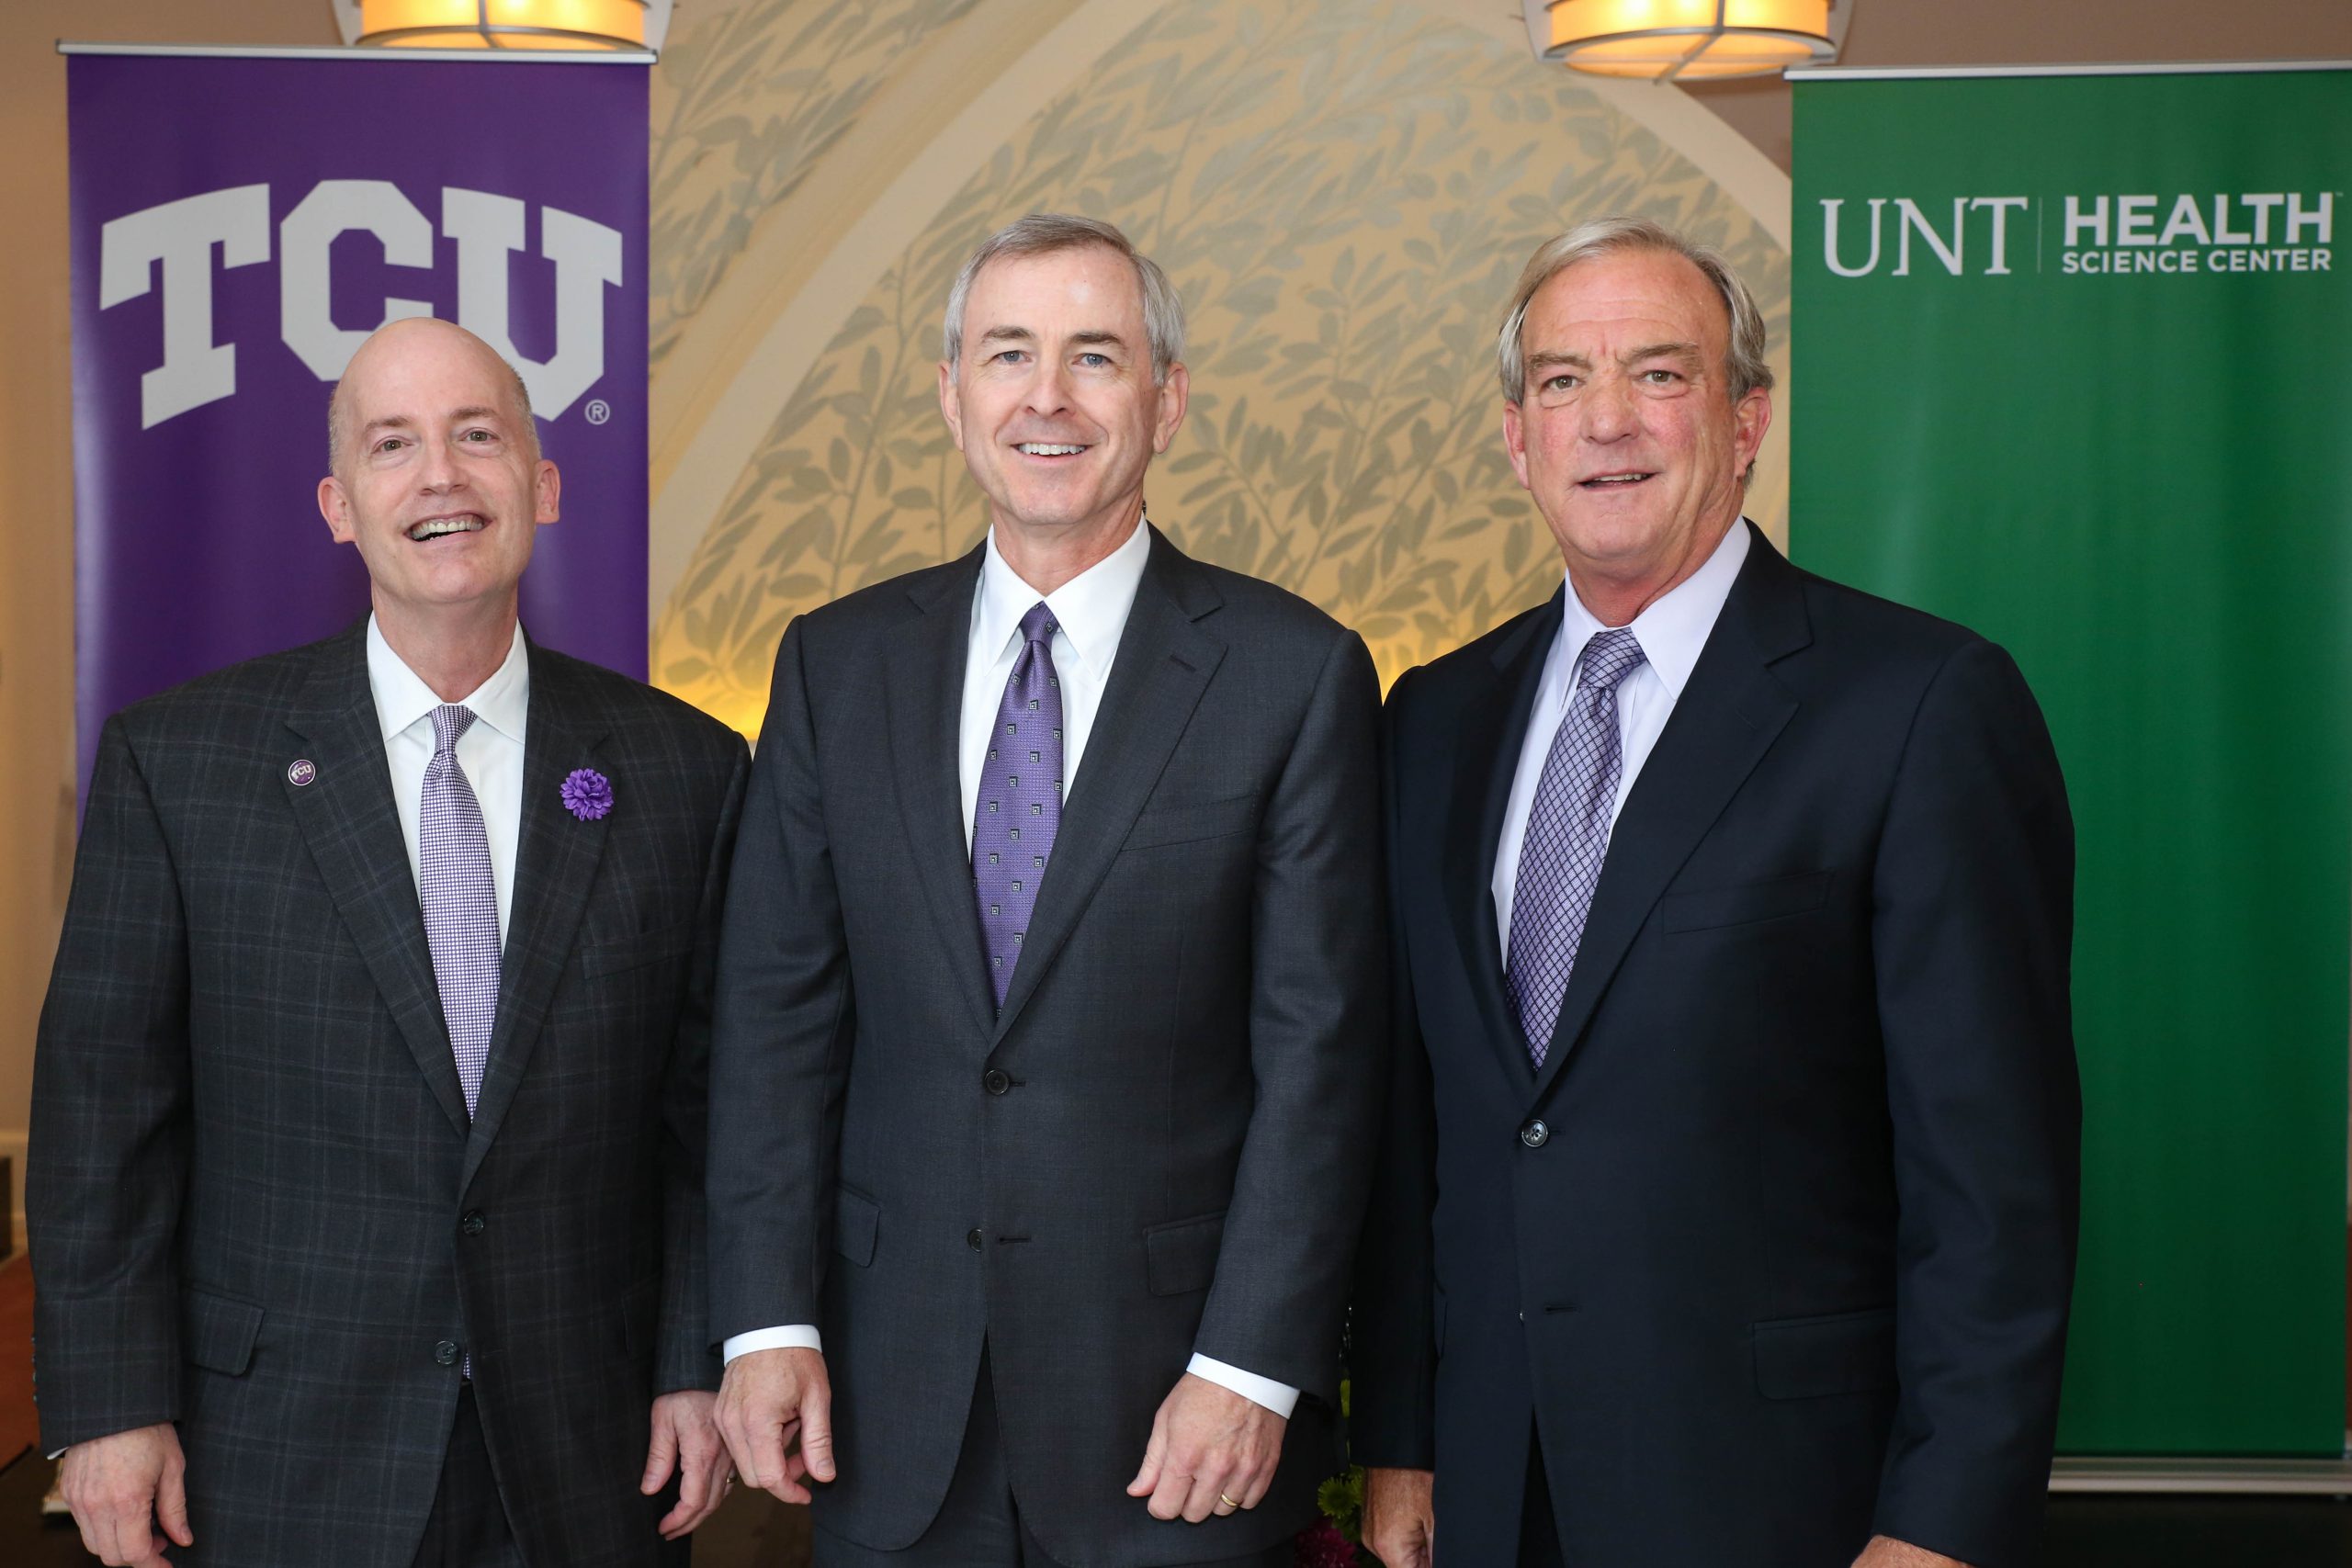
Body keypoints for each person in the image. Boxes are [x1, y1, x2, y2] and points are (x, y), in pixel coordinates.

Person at [1351, 217, 2080, 1568]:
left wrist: (1941, 1528)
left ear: (1747, 419)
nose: (1608, 420)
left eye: (1662, 374)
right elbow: (1421, 1127)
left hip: (1789, 1503)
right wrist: (1401, 1435)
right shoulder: (1434, 718)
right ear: (1518, 436)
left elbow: (1994, 1183)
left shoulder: (1921, 705)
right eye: (1564, 380)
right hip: (1492, 1494)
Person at [705, 212, 1385, 1567]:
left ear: (1167, 399)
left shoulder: (1292, 674)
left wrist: (1249, 1367)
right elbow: (776, 1019)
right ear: (955, 395)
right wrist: (767, 1323)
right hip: (885, 1414)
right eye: (1008, 354)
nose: (1048, 398)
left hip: (1176, 1421)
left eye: (1096, 356)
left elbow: (1322, 1055)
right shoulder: (835, 666)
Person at [29, 317, 749, 1568]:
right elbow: (106, 1114)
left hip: (592, 1450)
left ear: (544, 479)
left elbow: (712, 1116)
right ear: (338, 505)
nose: (441, 478)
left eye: (479, 436)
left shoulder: (685, 769)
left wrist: (698, 1360)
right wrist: (107, 1410)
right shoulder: (181, 764)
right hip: (277, 1452)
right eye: (393, 445)